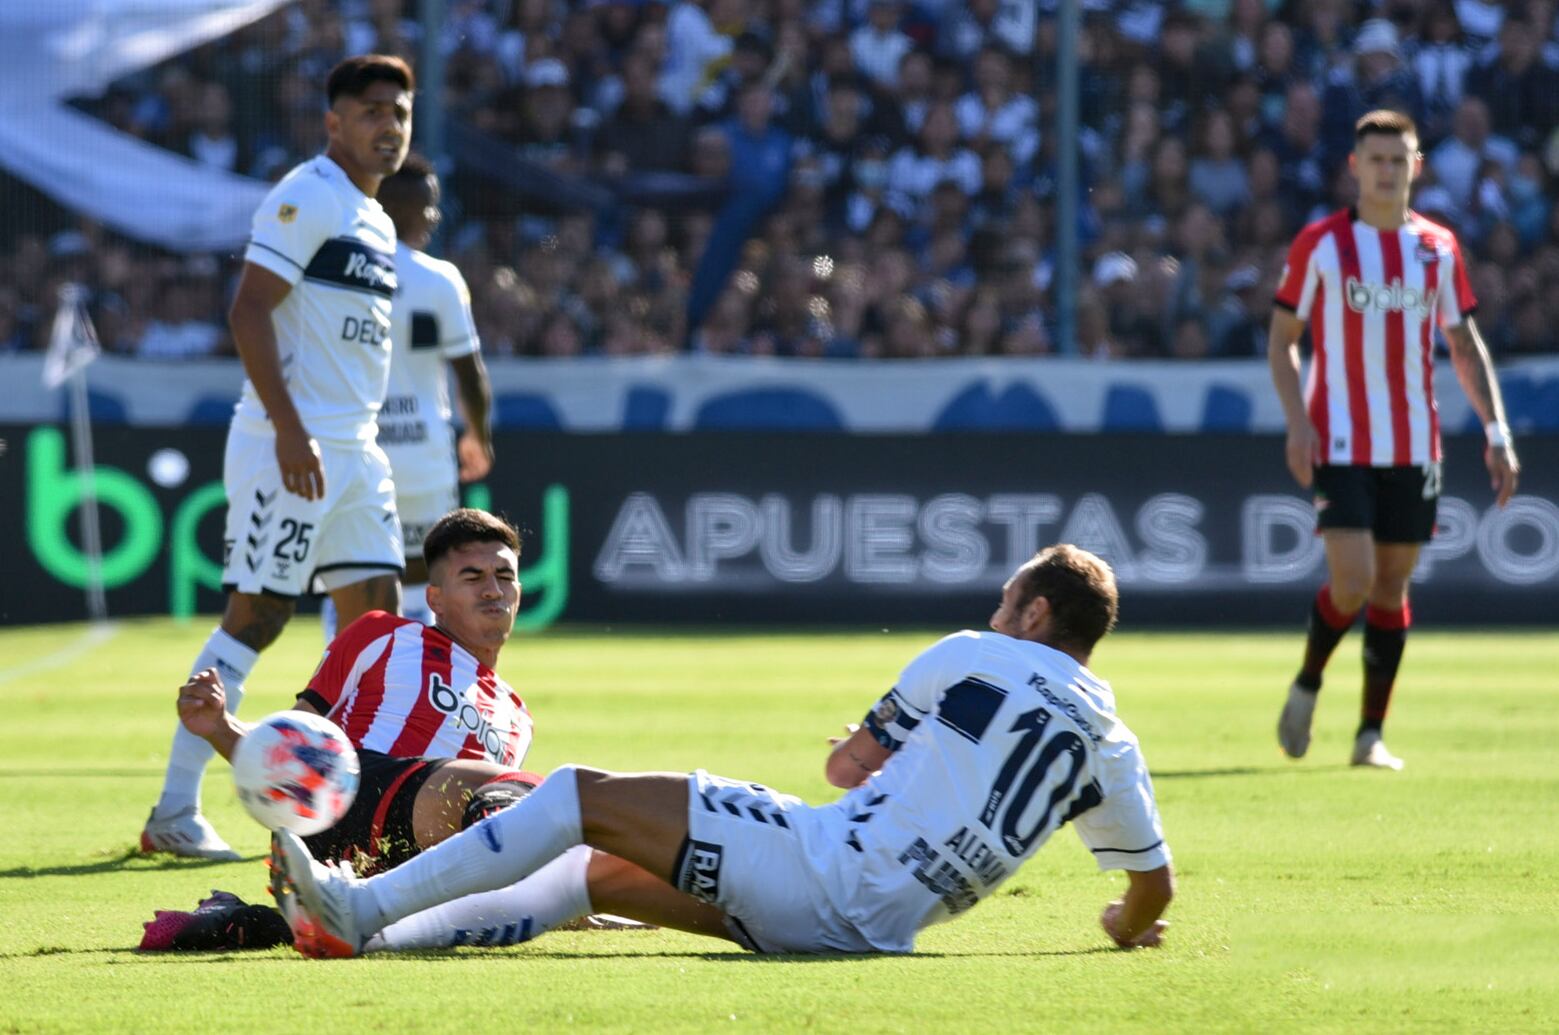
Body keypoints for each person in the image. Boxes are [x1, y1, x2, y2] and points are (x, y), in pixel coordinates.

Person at [273, 545, 1175, 958]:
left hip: (819, 866)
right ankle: (367, 935)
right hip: (874, 933)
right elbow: (1150, 890)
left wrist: (873, 759)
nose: (994, 614)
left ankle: (359, 906)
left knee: (579, 796)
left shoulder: (975, 653)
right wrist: (1121, 928)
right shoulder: (1112, 742)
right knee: (592, 871)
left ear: (1034, 614)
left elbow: (846, 768)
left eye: (1005, 599)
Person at [144, 509, 725, 952]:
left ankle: (265, 923)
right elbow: (295, 750)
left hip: (416, 860)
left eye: (505, 575)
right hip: (348, 803)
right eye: (473, 576)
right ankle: (586, 895)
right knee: (544, 800)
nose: (493, 589)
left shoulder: (518, 715)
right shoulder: (383, 635)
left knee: (517, 812)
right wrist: (221, 729)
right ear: (437, 599)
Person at [140, 55, 418, 859]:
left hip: (357, 450)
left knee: (376, 632)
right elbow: (249, 310)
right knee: (257, 617)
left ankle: (349, 810)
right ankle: (172, 811)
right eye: (371, 111)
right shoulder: (307, 195)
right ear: (334, 123)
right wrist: (291, 429)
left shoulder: (378, 220)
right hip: (286, 442)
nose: (388, 127)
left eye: (398, 113)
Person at [1269, 109, 1520, 771]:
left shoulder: (1435, 248)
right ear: (1354, 167)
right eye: (1374, 159)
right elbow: (1281, 340)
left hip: (1414, 444)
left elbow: (1462, 343)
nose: (1386, 170)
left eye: (1397, 158)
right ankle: (1308, 680)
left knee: (1390, 588)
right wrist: (1296, 420)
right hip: (1340, 440)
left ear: (1415, 166)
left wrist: (1496, 432)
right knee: (1350, 581)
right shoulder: (1320, 245)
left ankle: (1368, 733)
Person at [322, 153, 494, 637]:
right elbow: (470, 372)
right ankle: (414, 678)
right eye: (429, 206)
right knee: (426, 572)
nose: (434, 217)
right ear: (403, 208)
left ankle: (344, 678)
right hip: (422, 453)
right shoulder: (439, 279)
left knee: (354, 569)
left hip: (355, 452)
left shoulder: (338, 273)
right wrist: (478, 435)